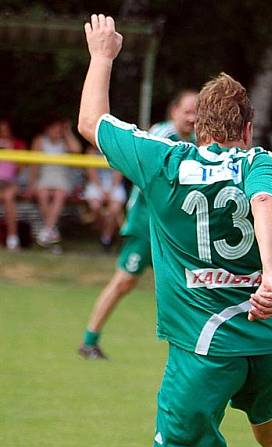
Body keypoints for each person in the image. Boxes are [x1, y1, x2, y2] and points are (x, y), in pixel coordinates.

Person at [78, 15, 272, 447]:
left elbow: (89, 121)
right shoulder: (260, 162)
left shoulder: (160, 159)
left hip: (203, 349)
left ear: (197, 123)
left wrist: (104, 55)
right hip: (267, 337)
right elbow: (265, 203)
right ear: (247, 125)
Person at [78, 89, 197, 359]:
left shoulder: (199, 141)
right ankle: (89, 341)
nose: (193, 117)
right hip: (147, 226)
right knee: (124, 281)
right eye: (188, 111)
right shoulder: (162, 136)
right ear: (174, 111)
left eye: (197, 111)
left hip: (174, 229)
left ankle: (196, 346)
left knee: (189, 284)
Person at [29, 118, 82, 247]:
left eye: (60, 128)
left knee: (59, 195)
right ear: (47, 129)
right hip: (44, 176)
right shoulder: (40, 141)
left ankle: (47, 230)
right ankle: (51, 230)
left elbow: (77, 149)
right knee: (42, 194)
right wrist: (32, 183)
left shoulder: (65, 142)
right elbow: (34, 165)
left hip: (62, 177)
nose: (57, 130)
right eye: (55, 127)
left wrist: (68, 132)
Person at [82, 145, 127, 250]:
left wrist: (110, 190)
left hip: (114, 185)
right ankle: (105, 232)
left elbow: (119, 173)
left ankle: (106, 238)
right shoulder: (91, 151)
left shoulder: (116, 149)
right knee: (95, 207)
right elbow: (91, 172)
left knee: (114, 210)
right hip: (96, 184)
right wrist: (101, 190)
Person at [0, 119, 26, 251]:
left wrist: (9, 150)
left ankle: (12, 239)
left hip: (12, 182)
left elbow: (20, 169)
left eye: (5, 129)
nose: (3, 132)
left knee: (9, 198)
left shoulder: (17, 144)